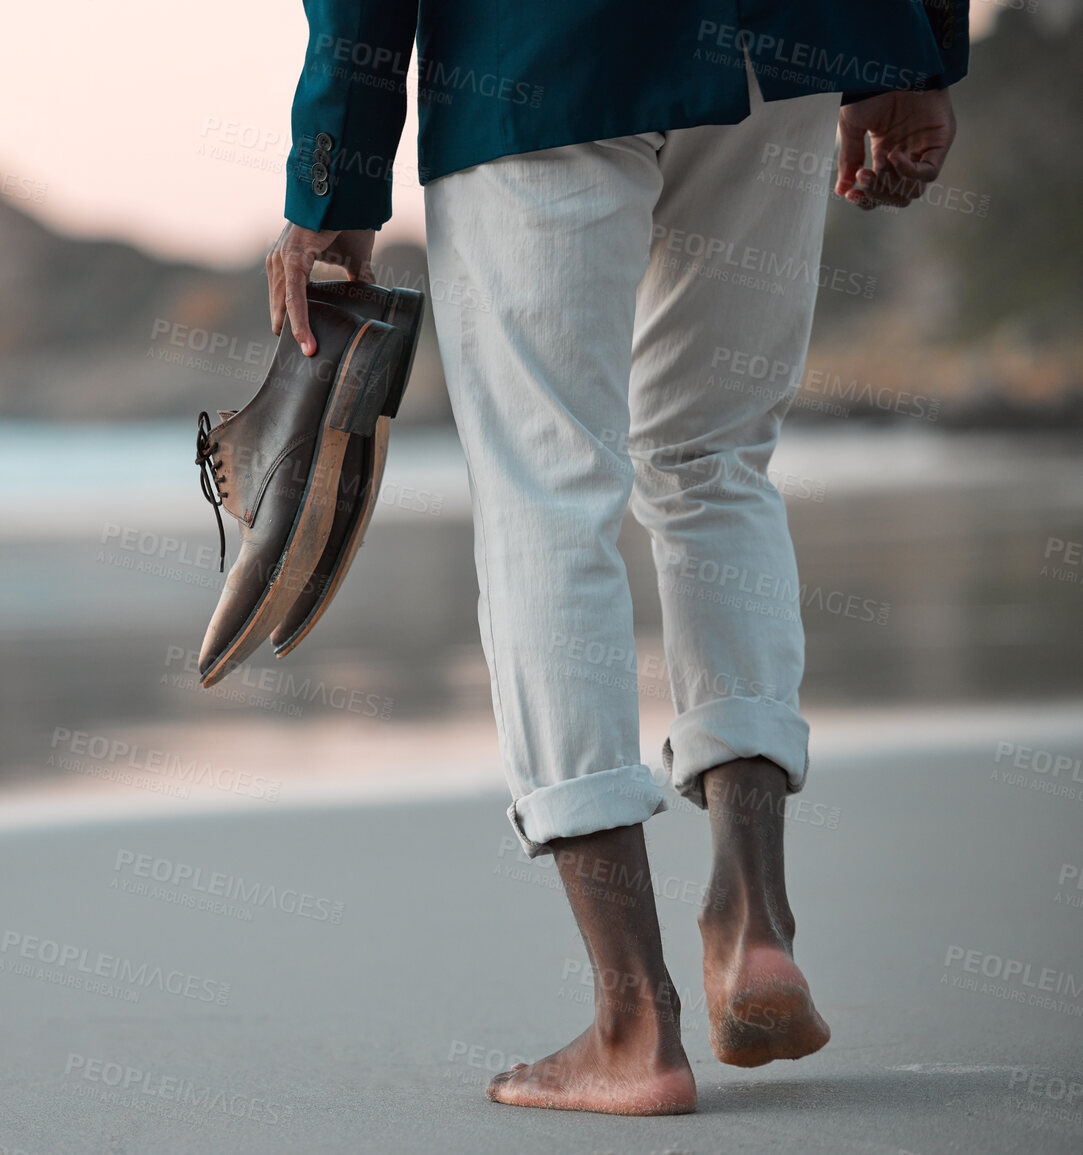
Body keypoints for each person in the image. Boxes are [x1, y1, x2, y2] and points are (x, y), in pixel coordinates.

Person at [266, 1, 967, 1116]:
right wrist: (917, 50)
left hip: (537, 56)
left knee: (548, 495)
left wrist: (336, 180)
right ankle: (755, 922)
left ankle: (635, 1023)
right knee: (715, 459)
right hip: (776, 44)